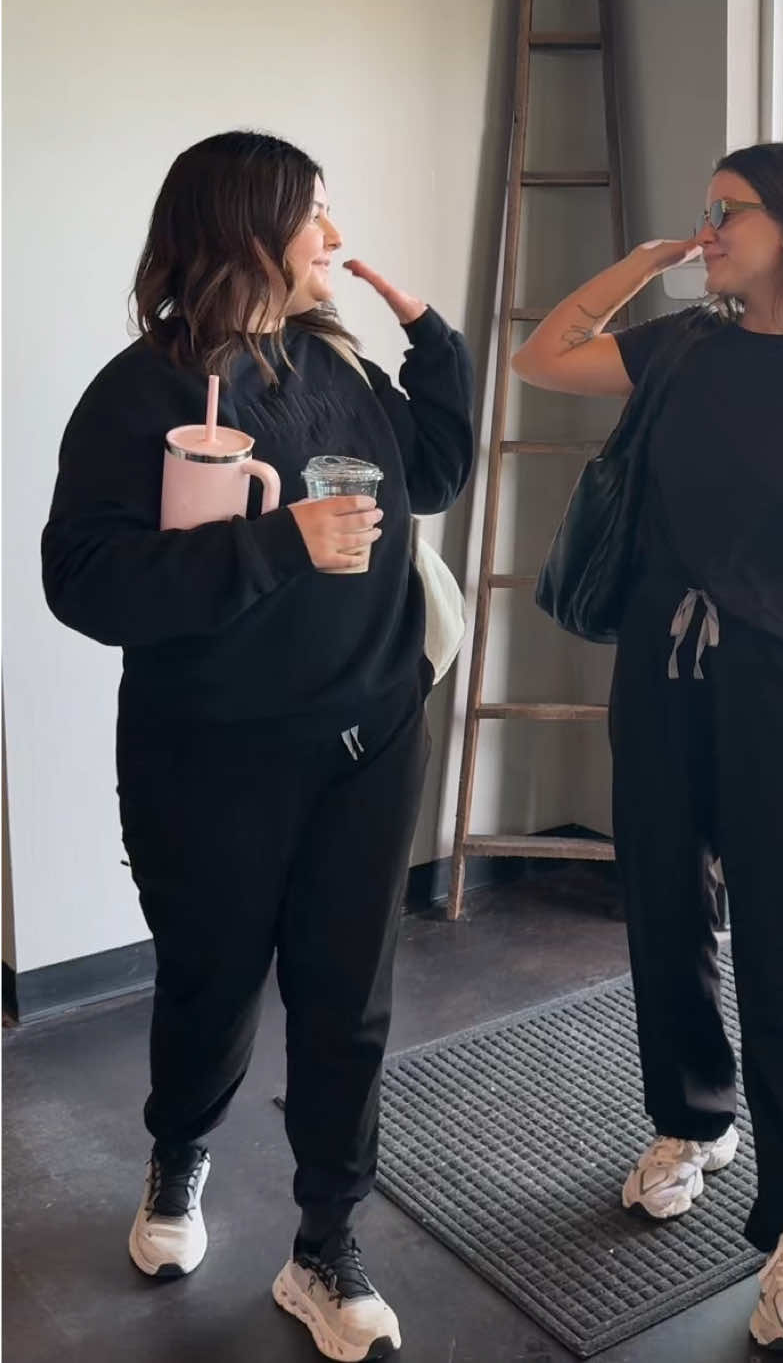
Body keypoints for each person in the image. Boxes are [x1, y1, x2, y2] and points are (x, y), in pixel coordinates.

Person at [42, 131, 474, 1362]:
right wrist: (280, 544)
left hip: (371, 736)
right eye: (314, 214)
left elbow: (434, 473)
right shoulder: (140, 396)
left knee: (348, 1003)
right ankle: (179, 1150)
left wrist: (432, 343)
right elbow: (83, 580)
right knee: (211, 982)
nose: (336, 236)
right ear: (247, 232)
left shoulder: (335, 361)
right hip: (209, 759)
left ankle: (326, 1243)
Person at [513, 142, 783, 1354]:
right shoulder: (683, 343)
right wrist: (648, 261)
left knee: (780, 951)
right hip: (658, 665)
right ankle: (693, 1118)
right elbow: (544, 356)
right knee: (661, 902)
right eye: (701, 214)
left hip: (782, 681)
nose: (708, 231)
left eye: (725, 213)